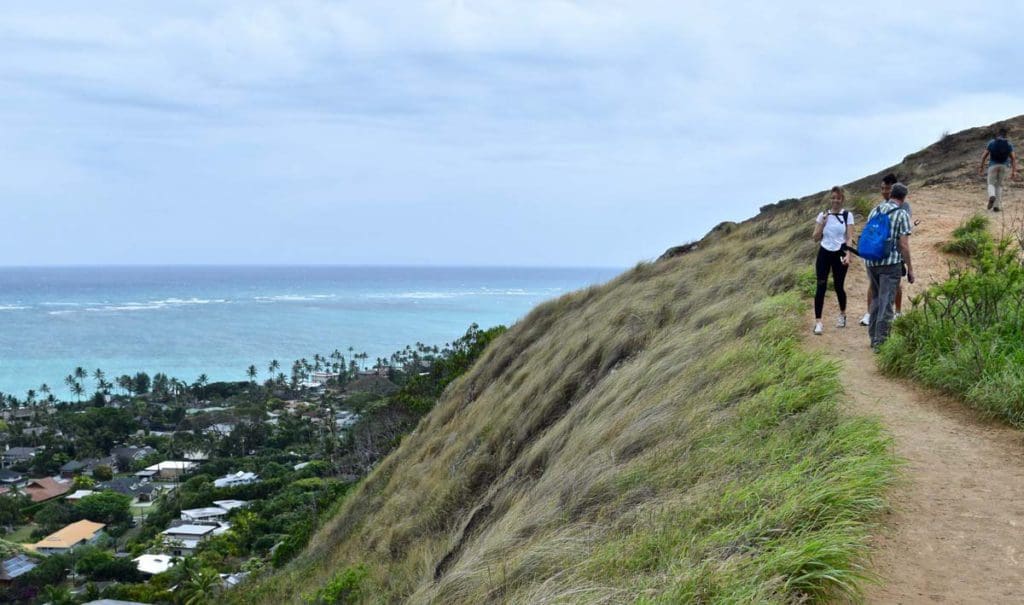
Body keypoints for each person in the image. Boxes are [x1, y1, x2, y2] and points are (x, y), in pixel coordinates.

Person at [865, 182, 914, 351]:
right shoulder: (902, 214)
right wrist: (910, 269)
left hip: (871, 261)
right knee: (887, 303)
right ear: (904, 198)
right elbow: (904, 245)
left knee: (877, 299)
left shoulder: (875, 210)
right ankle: (881, 342)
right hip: (890, 263)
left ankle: (873, 337)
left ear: (891, 193)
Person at [860, 174, 907, 326]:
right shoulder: (879, 208)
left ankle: (897, 312)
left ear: (893, 189)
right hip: (885, 255)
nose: (884, 192)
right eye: (882, 188)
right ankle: (875, 321)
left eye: (887, 188)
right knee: (882, 293)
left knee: (893, 286)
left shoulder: (902, 208)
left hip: (886, 255)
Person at [812, 187, 853, 335]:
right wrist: (822, 223)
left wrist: (848, 254)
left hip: (840, 253)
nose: (835, 200)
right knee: (820, 286)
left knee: (838, 286)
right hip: (824, 252)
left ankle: (842, 314)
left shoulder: (848, 215)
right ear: (830, 199)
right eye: (833, 197)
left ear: (842, 199)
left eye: (838, 198)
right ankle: (818, 322)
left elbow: (849, 237)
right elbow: (815, 237)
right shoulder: (823, 215)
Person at [979, 127, 1018, 211]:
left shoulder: (992, 143)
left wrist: (981, 167)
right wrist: (1014, 171)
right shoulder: (1009, 144)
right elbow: (1013, 158)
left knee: (991, 184)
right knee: (999, 185)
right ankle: (996, 206)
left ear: (998, 134)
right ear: (1006, 135)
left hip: (993, 166)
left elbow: (983, 156)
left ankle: (992, 196)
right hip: (1003, 167)